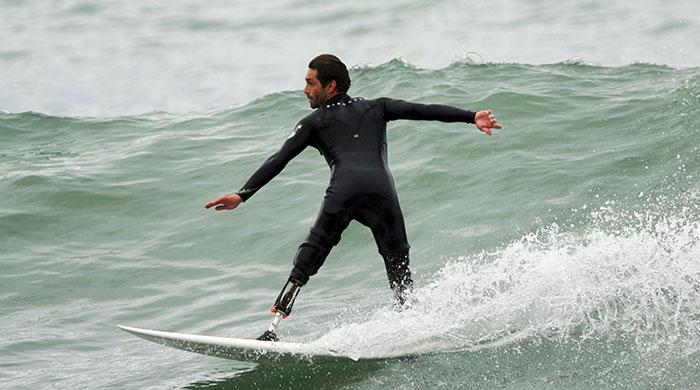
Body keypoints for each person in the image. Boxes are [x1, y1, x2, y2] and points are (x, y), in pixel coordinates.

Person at [205, 54, 502, 341]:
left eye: (311, 83)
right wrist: (470, 116)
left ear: (330, 86)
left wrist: (243, 194)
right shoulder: (378, 106)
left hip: (344, 192)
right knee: (398, 264)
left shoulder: (313, 122)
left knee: (311, 255)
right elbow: (422, 111)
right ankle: (413, 327)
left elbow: (279, 158)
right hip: (381, 191)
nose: (305, 89)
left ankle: (273, 329)